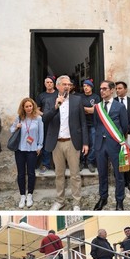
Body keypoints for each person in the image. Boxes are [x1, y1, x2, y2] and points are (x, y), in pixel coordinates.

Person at [42, 75, 88, 211]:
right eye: (64, 84)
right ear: (57, 86)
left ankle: (76, 202)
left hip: (72, 142)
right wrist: (56, 106)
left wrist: (85, 142)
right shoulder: (50, 100)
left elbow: (83, 122)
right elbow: (45, 119)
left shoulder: (77, 100)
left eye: (69, 84)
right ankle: (60, 201)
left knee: (75, 174)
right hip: (56, 143)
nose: (67, 86)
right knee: (59, 174)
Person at [92, 80, 128, 211]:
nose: (101, 91)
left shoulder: (120, 107)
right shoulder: (97, 107)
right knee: (102, 173)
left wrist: (115, 139)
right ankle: (103, 197)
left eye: (104, 89)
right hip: (100, 145)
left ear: (112, 90)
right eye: (100, 89)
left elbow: (124, 127)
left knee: (119, 175)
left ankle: (119, 200)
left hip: (115, 145)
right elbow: (96, 125)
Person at [10, 97, 43, 208]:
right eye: (26, 106)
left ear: (33, 106)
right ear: (23, 108)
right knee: (21, 173)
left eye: (30, 106)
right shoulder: (20, 118)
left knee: (31, 173)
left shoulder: (38, 118)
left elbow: (41, 133)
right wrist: (16, 127)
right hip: (20, 149)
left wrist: (39, 146)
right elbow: (11, 129)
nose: (29, 108)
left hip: (32, 149)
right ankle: (22, 195)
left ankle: (30, 194)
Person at [115, 81, 130, 192]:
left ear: (125, 89)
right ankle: (120, 181)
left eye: (120, 88)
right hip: (116, 134)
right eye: (116, 88)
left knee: (129, 157)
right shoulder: (113, 102)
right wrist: (120, 130)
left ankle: (129, 180)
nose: (117, 90)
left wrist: (127, 129)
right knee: (117, 157)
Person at [36, 76, 58, 173]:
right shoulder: (41, 96)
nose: (49, 84)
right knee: (46, 142)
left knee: (58, 142)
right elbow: (37, 110)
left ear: (54, 84)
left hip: (57, 121)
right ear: (45, 84)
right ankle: (46, 164)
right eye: (47, 82)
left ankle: (57, 164)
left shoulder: (58, 94)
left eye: (51, 82)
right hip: (45, 122)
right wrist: (45, 115)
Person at [80, 79, 100, 172]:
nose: (85, 88)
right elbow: (78, 110)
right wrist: (89, 110)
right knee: (82, 143)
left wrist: (84, 109)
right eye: (84, 86)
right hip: (82, 124)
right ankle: (82, 161)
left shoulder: (96, 97)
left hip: (93, 124)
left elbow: (95, 110)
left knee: (93, 143)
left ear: (91, 87)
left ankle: (90, 161)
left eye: (87, 86)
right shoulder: (80, 97)